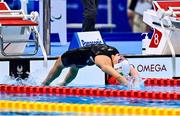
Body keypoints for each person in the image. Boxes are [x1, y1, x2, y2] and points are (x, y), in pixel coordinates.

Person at [42, 44, 139, 86]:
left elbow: (131, 69)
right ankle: (44, 84)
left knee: (75, 68)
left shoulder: (117, 57)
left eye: (121, 59)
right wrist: (128, 86)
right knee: (59, 65)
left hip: (86, 57)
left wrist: (136, 81)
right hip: (76, 55)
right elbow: (118, 76)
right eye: (121, 58)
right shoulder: (104, 62)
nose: (121, 56)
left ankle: (63, 84)